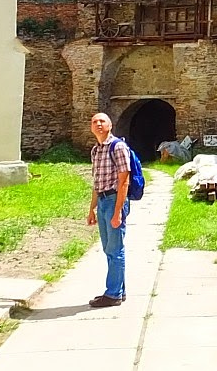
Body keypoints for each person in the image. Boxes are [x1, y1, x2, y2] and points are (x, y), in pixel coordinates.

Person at [87, 112, 130, 307]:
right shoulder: (96, 151)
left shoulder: (118, 147)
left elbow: (124, 180)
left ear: (110, 125)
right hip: (103, 201)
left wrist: (118, 211)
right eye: (95, 121)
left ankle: (112, 294)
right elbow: (97, 182)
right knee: (109, 249)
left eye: (102, 121)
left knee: (115, 250)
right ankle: (118, 291)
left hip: (114, 200)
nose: (98, 124)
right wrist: (92, 209)